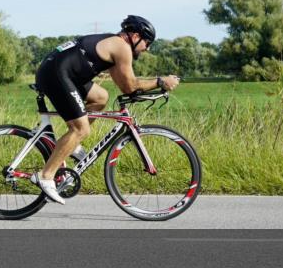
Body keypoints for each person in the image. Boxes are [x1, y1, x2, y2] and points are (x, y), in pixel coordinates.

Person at [31, 15, 180, 205]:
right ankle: (45, 176)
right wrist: (160, 82)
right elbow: (130, 86)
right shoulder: (122, 47)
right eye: (147, 43)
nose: (147, 48)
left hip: (60, 71)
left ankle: (72, 146)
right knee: (81, 129)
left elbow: (125, 86)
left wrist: (148, 87)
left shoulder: (114, 43)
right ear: (135, 36)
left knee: (100, 97)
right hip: (57, 74)